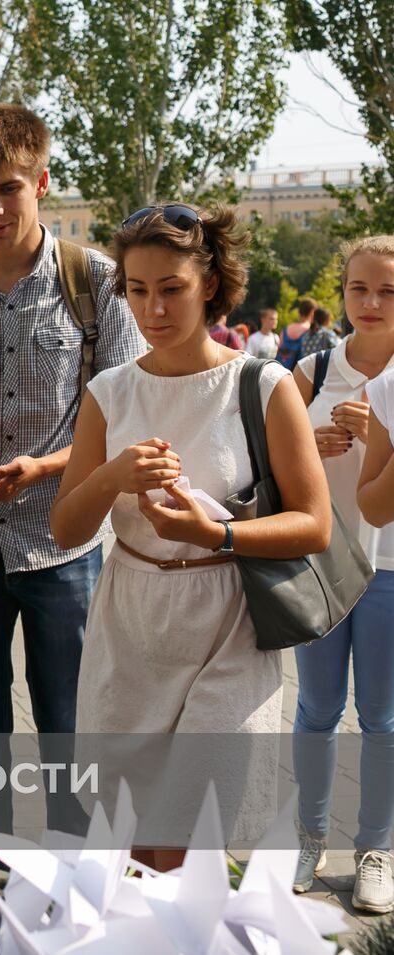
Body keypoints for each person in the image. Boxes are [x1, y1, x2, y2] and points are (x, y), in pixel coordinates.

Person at [50, 203, 329, 869]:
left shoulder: (264, 384)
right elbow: (66, 529)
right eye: (138, 290)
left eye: (170, 288)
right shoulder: (109, 392)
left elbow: (314, 523)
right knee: (130, 844)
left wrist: (218, 533)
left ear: (208, 283)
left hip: (229, 624)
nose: (152, 310)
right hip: (132, 625)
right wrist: (113, 473)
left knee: (185, 843)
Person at [0, 104, 146, 855]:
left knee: (73, 734)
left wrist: (43, 467)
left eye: (8, 188)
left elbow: (128, 418)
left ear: (42, 181)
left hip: (65, 546)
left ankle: (78, 892)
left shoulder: (98, 282)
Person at [296, 235, 394, 910]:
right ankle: (307, 837)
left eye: (388, 291)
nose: (372, 302)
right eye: (360, 288)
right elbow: (268, 466)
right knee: (316, 710)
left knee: (383, 718)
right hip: (323, 562)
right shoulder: (312, 369)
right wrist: (310, 440)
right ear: (342, 293)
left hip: (389, 564)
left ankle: (376, 850)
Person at [277, 298, 317, 369]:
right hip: (299, 371)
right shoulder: (311, 331)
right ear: (312, 311)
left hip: (281, 369)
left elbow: (279, 348)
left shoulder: (286, 329)